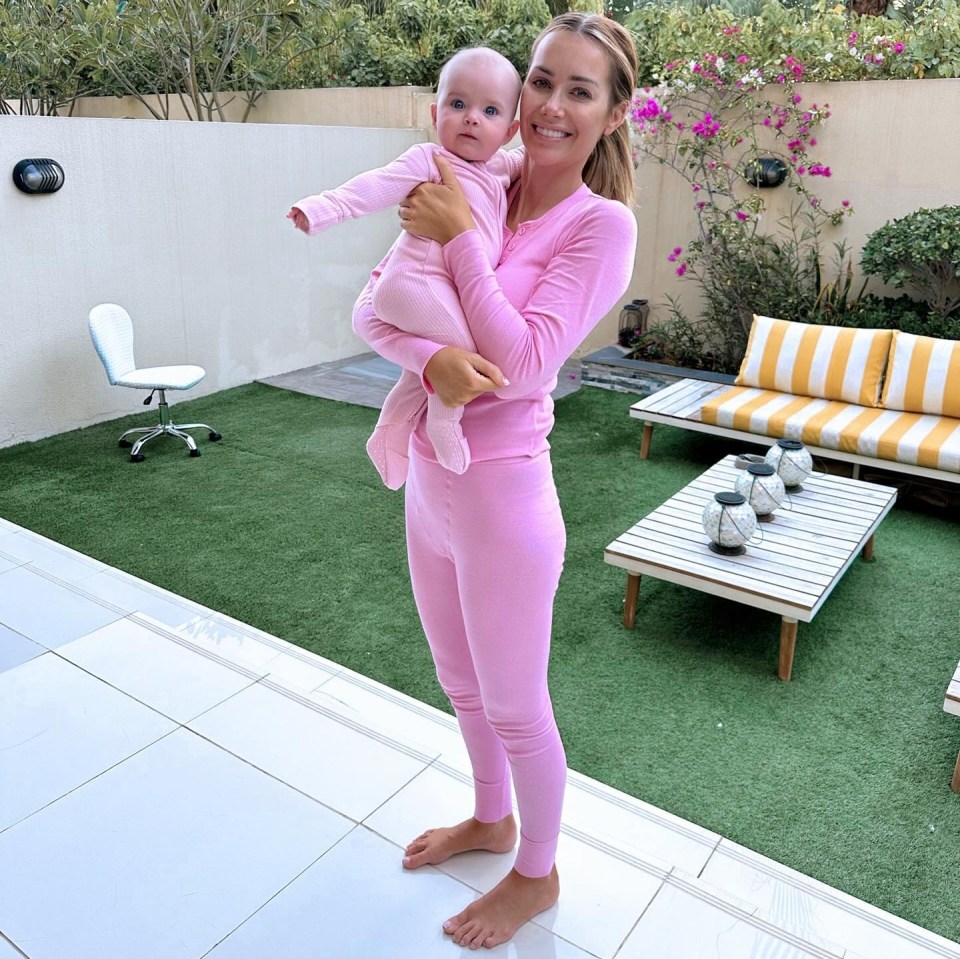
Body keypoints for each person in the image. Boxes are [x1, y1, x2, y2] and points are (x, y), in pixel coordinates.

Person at [353, 12, 639, 950]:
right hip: (434, 483)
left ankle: (538, 870)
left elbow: (520, 363)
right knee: (458, 681)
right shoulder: (484, 178)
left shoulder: (601, 226)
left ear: (612, 113)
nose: (551, 105)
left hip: (505, 496)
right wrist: (432, 360)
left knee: (516, 703)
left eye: (579, 90)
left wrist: (457, 241)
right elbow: (389, 298)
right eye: (543, 81)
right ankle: (491, 818)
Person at [288, 47, 523, 489]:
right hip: (412, 284)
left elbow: (535, 161)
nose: (472, 117)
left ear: (509, 129)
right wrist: (321, 209)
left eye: (489, 110)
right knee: (468, 346)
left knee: (427, 368)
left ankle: (389, 431)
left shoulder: (500, 167)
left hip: (437, 292)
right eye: (458, 105)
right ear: (436, 114)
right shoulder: (429, 160)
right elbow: (373, 186)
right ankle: (444, 423)